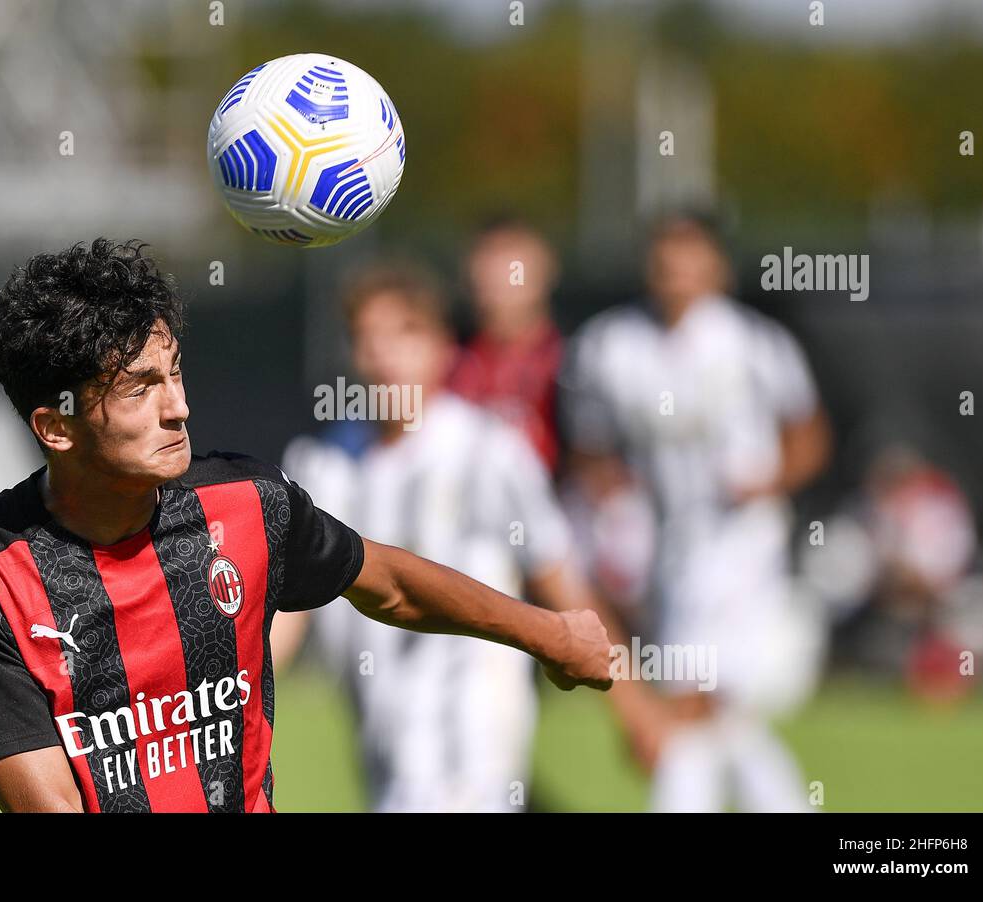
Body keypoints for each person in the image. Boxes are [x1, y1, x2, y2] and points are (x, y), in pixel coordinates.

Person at [0, 238, 615, 814]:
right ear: (55, 427)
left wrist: (551, 634)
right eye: (140, 389)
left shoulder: (248, 502)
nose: (178, 408)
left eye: (175, 373)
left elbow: (389, 583)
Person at [272, 260, 666, 811]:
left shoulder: (489, 451)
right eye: (367, 336)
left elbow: (560, 580)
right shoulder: (324, 466)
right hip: (383, 743)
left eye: (404, 333)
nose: (383, 354)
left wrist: (633, 706)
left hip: (473, 736)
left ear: (443, 348)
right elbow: (290, 614)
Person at [559, 214, 832, 811]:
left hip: (743, 547)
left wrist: (768, 483)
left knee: (693, 694)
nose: (675, 272)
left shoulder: (756, 344)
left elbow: (809, 437)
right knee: (717, 711)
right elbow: (590, 451)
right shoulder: (611, 346)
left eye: (690, 256)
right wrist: (613, 505)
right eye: (664, 257)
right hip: (668, 545)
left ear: (716, 265)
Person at [448, 215, 565, 473]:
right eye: (488, 261)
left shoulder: (572, 365)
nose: (497, 279)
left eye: (509, 264)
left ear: (544, 272)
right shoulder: (446, 364)